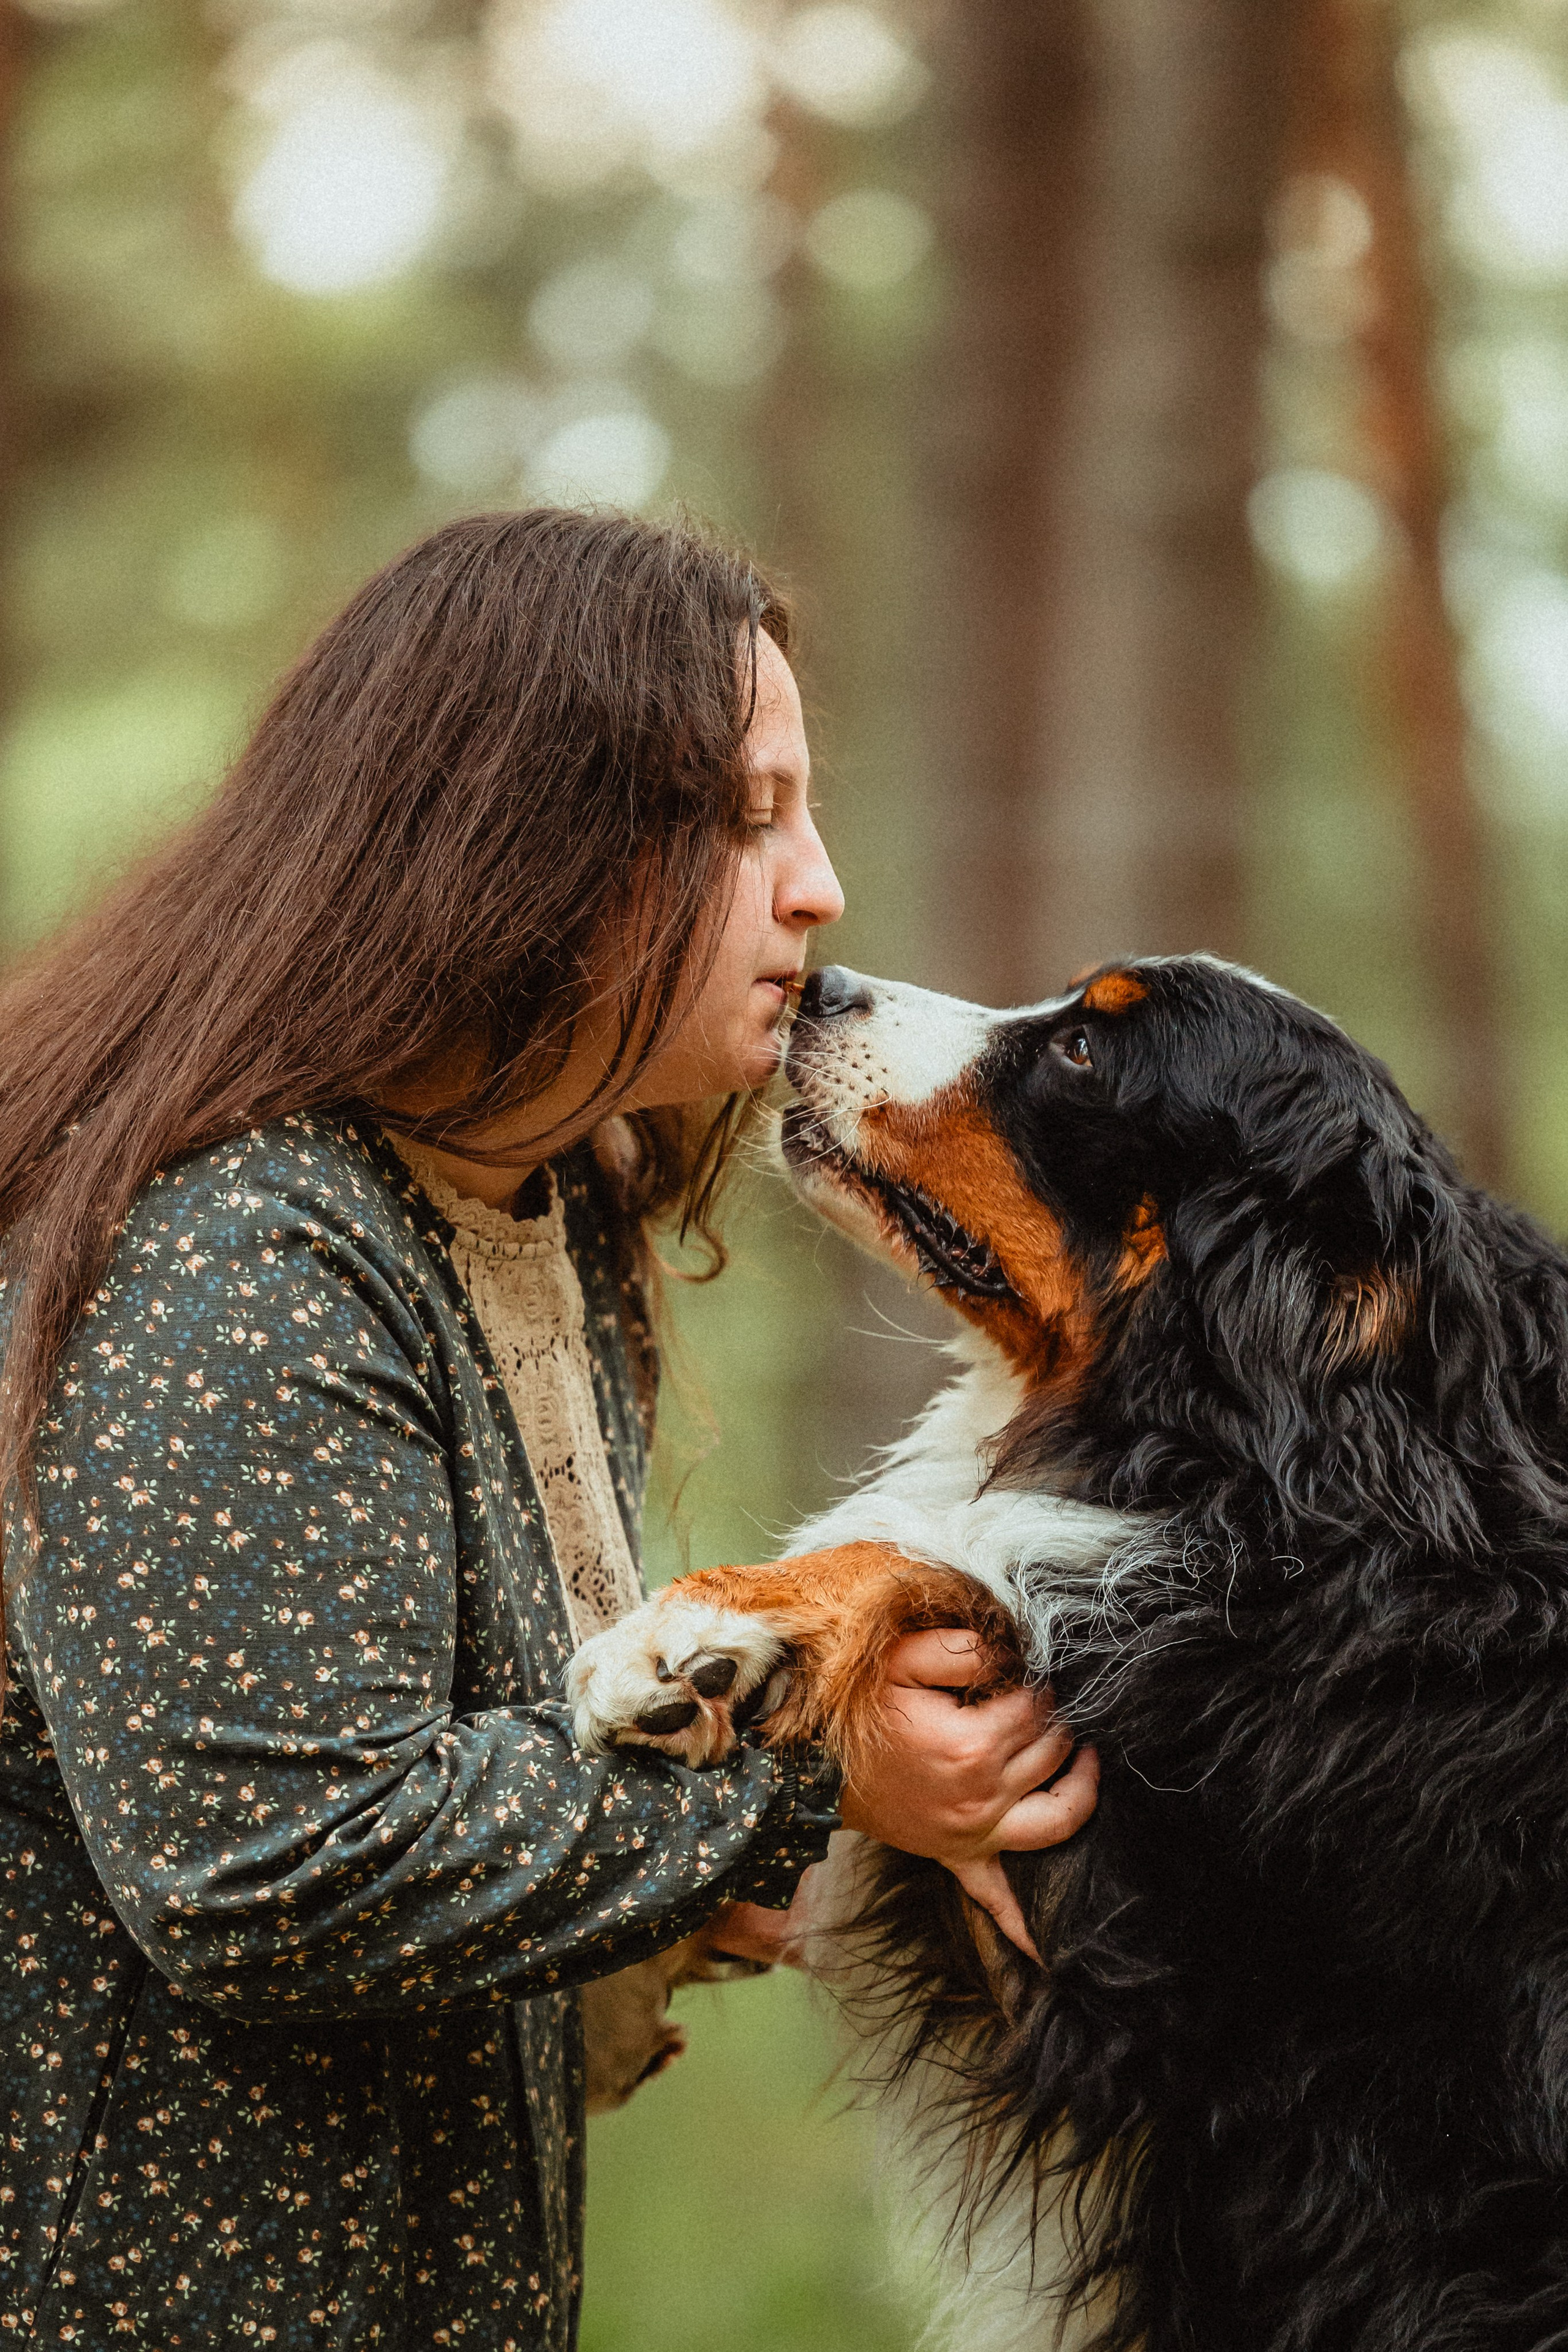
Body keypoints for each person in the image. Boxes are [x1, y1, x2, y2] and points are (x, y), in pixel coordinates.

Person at [0, 509, 1098, 2350]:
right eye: (750, 818)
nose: (819, 887)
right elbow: (268, 1864)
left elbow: (476, 1747)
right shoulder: (239, 1254)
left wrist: (673, 1877)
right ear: (529, 844)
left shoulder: (540, 1199)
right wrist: (809, 1775)